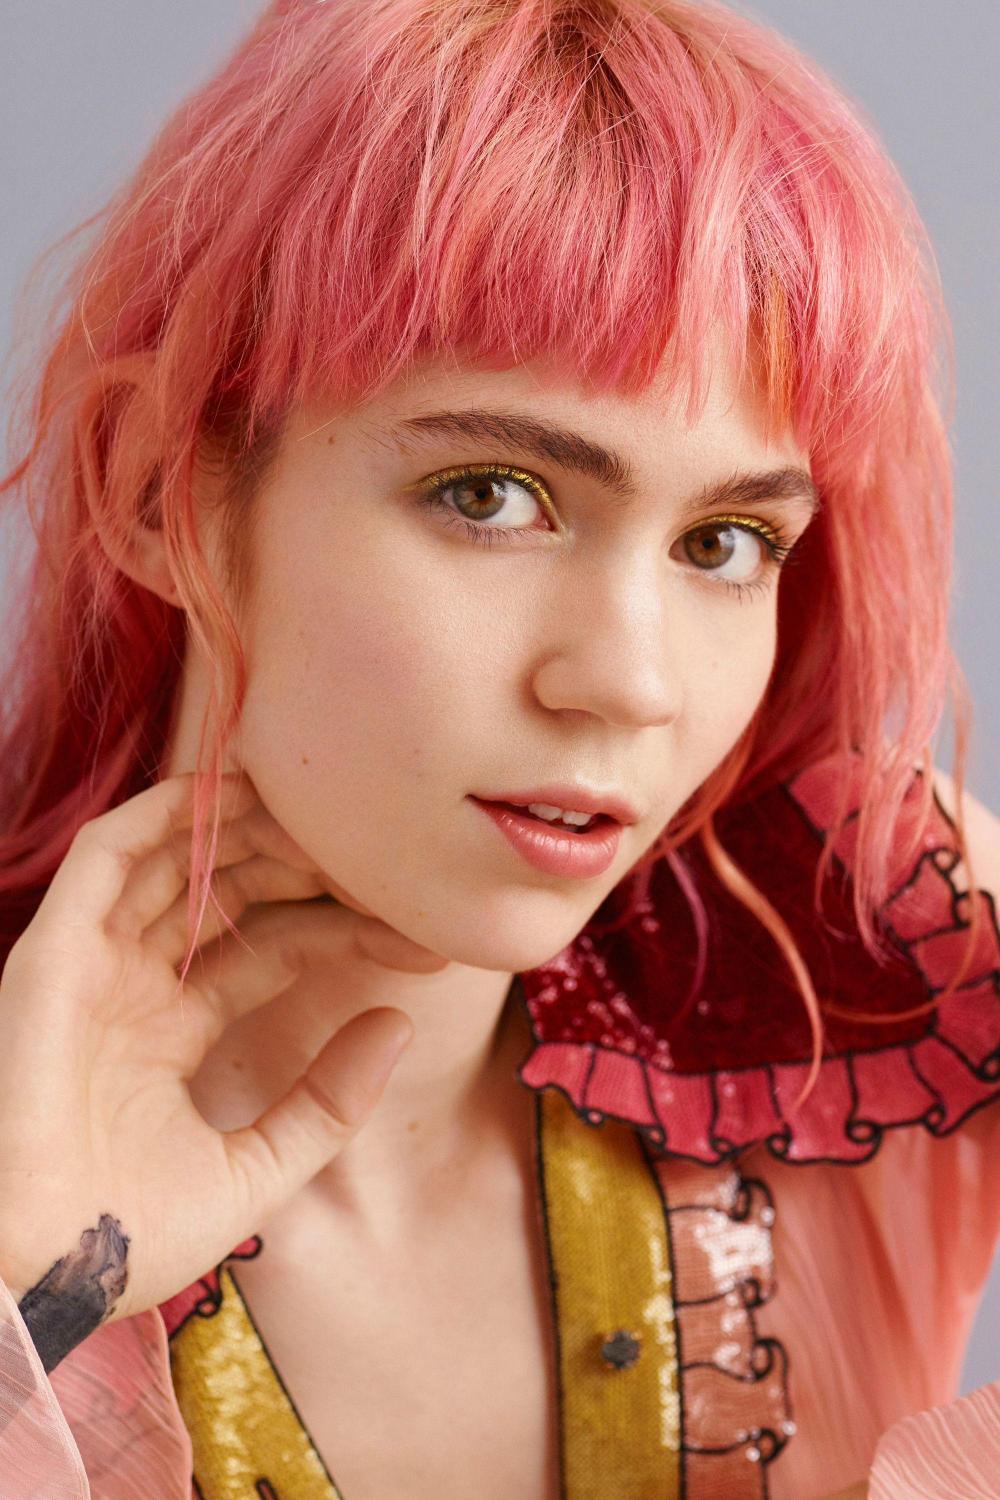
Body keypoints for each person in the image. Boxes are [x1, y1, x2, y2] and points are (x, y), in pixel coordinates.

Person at [0, 0, 997, 1495]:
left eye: (727, 541)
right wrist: (34, 1286)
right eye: (490, 495)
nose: (633, 683)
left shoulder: (862, 988)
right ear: (157, 488)